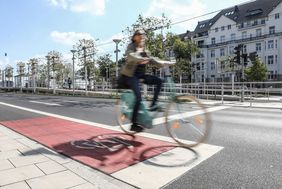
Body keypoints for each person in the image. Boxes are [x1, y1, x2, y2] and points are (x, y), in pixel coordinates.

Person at [120, 29, 163, 132]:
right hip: (130, 76)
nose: (142, 37)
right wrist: (139, 56)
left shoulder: (145, 50)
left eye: (143, 35)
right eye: (139, 35)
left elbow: (153, 60)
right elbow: (130, 55)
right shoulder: (131, 46)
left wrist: (165, 63)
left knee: (159, 81)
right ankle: (133, 124)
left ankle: (153, 104)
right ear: (135, 37)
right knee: (139, 98)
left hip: (140, 75)